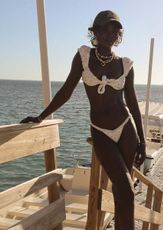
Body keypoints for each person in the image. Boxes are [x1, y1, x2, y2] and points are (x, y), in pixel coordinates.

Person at [21, 10, 146, 230]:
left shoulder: (125, 65)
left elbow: (133, 103)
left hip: (126, 129)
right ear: (95, 31)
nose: (110, 34)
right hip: (100, 130)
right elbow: (67, 90)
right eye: (105, 29)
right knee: (126, 189)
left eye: (115, 30)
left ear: (119, 35)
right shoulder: (84, 56)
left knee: (122, 190)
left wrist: (143, 142)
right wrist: (41, 116)